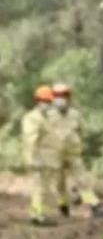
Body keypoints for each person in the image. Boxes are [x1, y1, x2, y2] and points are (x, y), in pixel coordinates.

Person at [49, 83, 103, 216]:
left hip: (73, 154)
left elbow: (81, 132)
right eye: (57, 96)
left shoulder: (75, 115)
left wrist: (81, 147)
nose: (60, 99)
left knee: (82, 180)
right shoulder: (49, 115)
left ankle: (94, 205)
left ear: (69, 97)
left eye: (63, 96)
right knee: (59, 183)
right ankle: (63, 205)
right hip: (55, 155)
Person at [22, 85, 60, 225]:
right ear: (38, 101)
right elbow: (30, 140)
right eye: (45, 101)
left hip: (49, 161)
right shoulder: (32, 118)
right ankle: (37, 216)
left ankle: (43, 214)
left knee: (47, 190)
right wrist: (32, 159)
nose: (48, 105)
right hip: (38, 160)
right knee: (39, 189)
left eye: (50, 102)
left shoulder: (49, 118)